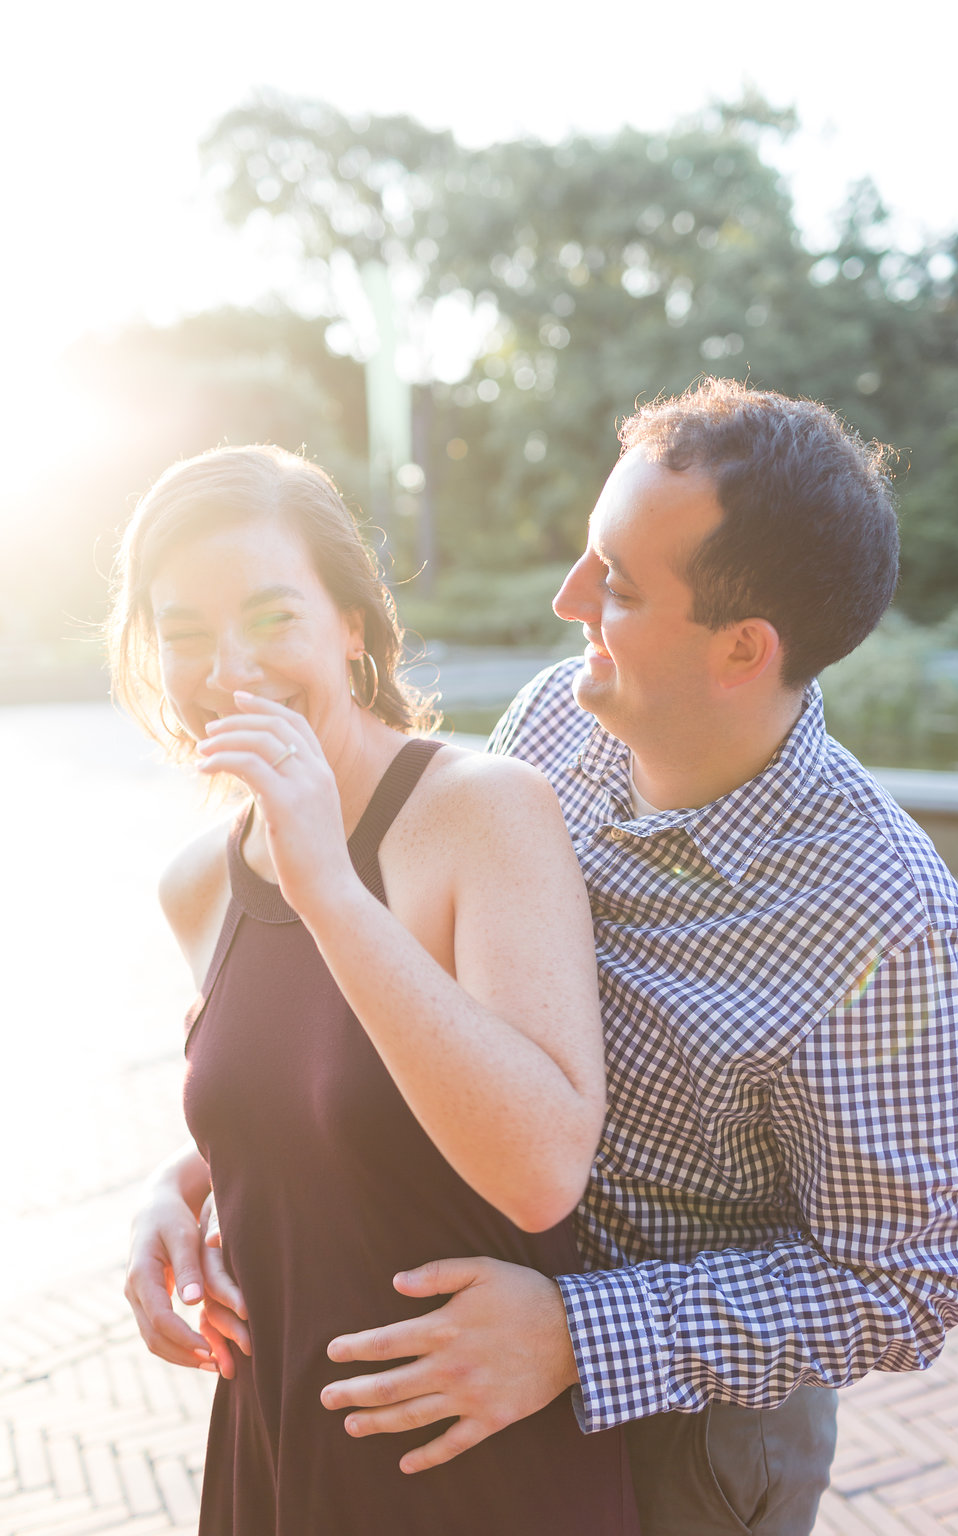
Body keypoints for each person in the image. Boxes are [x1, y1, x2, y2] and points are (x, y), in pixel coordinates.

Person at [130, 380, 958, 1536]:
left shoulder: (887, 923)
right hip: (442, 1348)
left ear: (742, 648)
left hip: (690, 1427)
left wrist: (580, 1333)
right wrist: (204, 1167)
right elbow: (417, 1001)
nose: (566, 598)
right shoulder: (555, 723)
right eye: (590, 554)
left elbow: (913, 1279)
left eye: (618, 585)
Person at [114, 444, 640, 1536]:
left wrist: (329, 887)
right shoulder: (195, 883)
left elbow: (542, 1169)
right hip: (274, 1448)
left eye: (271, 617)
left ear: (352, 626)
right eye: (185, 633)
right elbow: (327, 1110)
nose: (228, 667)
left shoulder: (483, 811)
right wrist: (179, 1190)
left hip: (469, 1466)